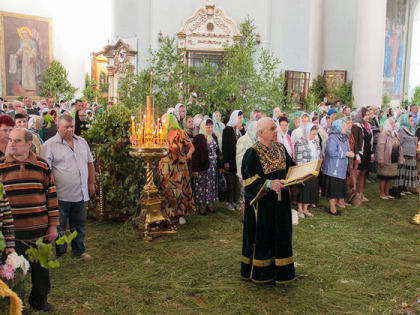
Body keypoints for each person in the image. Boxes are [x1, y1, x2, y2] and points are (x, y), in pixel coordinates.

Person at [0, 128, 58, 311]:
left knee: (42, 269)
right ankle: (17, 303)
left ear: (28, 144)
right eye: (10, 140)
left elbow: (52, 196)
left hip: (39, 228)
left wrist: (53, 225)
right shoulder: (1, 166)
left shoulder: (42, 165)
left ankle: (39, 300)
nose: (12, 144)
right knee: (14, 271)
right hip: (12, 232)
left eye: (17, 141)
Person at [241, 117, 296, 285]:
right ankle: (263, 273)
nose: (276, 131)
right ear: (261, 133)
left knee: (282, 235)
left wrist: (302, 175)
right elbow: (248, 181)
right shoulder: (252, 153)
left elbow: (291, 168)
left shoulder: (280, 148)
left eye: (275, 128)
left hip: (281, 204)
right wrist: (269, 184)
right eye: (272, 129)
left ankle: (282, 272)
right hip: (263, 206)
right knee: (265, 237)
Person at [42, 114, 95, 260]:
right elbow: (46, 170)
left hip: (80, 193)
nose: (70, 130)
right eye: (66, 127)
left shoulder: (82, 142)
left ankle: (79, 249)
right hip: (60, 194)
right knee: (60, 225)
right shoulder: (49, 145)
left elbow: (90, 164)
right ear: (58, 127)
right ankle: (61, 251)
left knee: (79, 225)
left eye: (72, 126)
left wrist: (91, 183)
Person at [158, 114, 195, 225]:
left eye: (165, 120)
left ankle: (181, 214)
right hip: (165, 167)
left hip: (179, 167)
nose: (163, 123)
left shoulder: (181, 133)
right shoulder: (160, 134)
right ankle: (168, 214)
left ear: (171, 121)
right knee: (166, 190)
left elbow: (192, 147)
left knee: (180, 191)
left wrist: (189, 154)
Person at [322, 119, 354, 215]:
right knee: (333, 190)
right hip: (333, 169)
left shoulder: (344, 137)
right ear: (338, 127)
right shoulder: (332, 138)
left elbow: (348, 149)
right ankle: (332, 209)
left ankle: (335, 206)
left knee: (338, 189)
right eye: (343, 126)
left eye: (345, 126)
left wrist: (351, 153)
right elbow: (331, 152)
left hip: (341, 169)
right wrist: (346, 153)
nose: (345, 128)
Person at [191, 119, 221, 215]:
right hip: (202, 166)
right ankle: (201, 207)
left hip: (213, 166)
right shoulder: (198, 138)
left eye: (211, 127)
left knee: (211, 185)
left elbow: (217, 152)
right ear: (204, 127)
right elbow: (195, 155)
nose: (210, 129)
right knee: (202, 186)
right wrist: (195, 170)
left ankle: (210, 204)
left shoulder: (213, 137)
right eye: (208, 127)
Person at [294, 123, 321, 218]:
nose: (314, 136)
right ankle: (300, 209)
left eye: (315, 134)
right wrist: (302, 173)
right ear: (307, 132)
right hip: (304, 171)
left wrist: (317, 168)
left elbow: (319, 155)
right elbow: (298, 160)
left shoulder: (315, 142)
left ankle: (305, 209)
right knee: (302, 190)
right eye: (312, 134)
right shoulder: (299, 142)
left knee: (310, 189)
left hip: (314, 170)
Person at [376, 117, 404, 199]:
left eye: (394, 123)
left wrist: (401, 157)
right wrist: (381, 160)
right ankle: (382, 193)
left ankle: (387, 193)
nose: (394, 124)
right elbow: (380, 147)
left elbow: (399, 146)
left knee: (390, 177)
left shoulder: (395, 133)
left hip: (393, 159)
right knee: (384, 177)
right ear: (387, 124)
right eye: (392, 123)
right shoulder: (384, 133)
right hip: (386, 159)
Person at [236, 121, 258, 219]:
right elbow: (239, 159)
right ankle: (244, 217)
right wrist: (240, 175)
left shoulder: (257, 140)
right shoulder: (242, 140)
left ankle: (253, 216)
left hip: (256, 174)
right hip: (245, 174)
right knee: (244, 196)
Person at [222, 110, 244, 211]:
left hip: (238, 161)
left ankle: (236, 201)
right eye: (239, 118)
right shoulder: (228, 129)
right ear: (235, 118)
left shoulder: (238, 130)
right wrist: (226, 161)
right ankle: (229, 202)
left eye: (242, 117)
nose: (241, 119)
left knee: (237, 183)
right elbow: (225, 146)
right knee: (230, 182)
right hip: (230, 160)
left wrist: (241, 129)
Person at [352, 108, 374, 202]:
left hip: (367, 153)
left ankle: (361, 193)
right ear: (361, 115)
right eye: (366, 114)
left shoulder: (368, 126)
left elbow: (371, 141)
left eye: (369, 114)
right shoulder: (356, 126)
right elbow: (355, 142)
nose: (368, 116)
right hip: (360, 153)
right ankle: (354, 194)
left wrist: (372, 153)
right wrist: (357, 155)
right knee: (357, 173)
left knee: (363, 173)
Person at [396, 114, 418, 195]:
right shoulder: (401, 131)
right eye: (411, 120)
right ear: (406, 121)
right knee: (402, 172)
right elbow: (399, 143)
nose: (413, 122)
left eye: (413, 120)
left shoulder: (411, 130)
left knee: (408, 172)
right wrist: (401, 156)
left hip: (411, 155)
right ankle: (400, 188)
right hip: (404, 155)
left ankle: (405, 187)